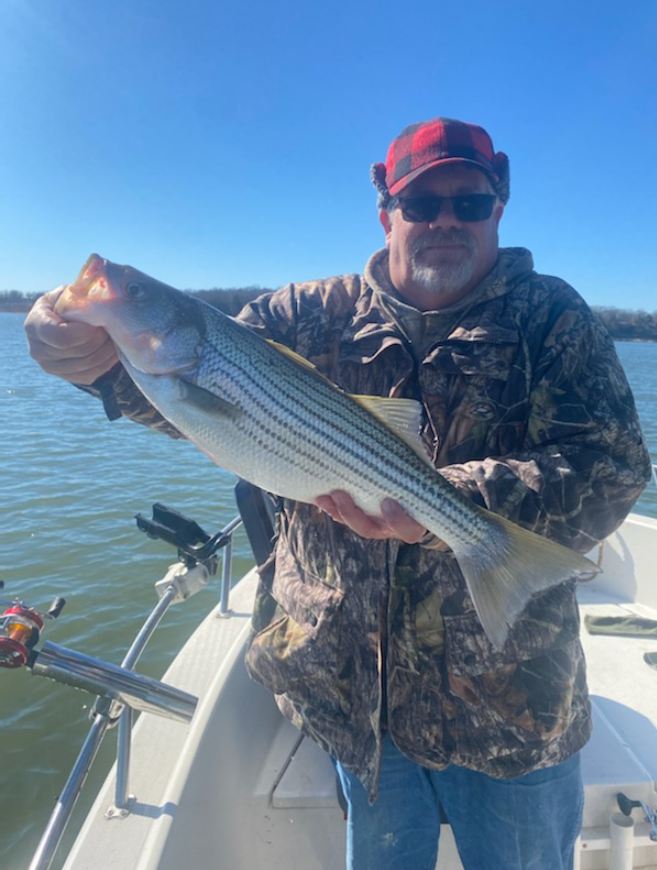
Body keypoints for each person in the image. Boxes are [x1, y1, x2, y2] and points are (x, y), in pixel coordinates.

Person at [25, 117, 652, 870]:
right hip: (355, 707)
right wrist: (91, 364)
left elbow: (610, 466)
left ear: (499, 205)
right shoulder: (301, 315)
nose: (444, 221)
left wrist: (442, 508)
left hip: (511, 707)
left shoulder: (553, 318)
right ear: (385, 207)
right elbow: (182, 405)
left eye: (469, 202)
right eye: (420, 204)